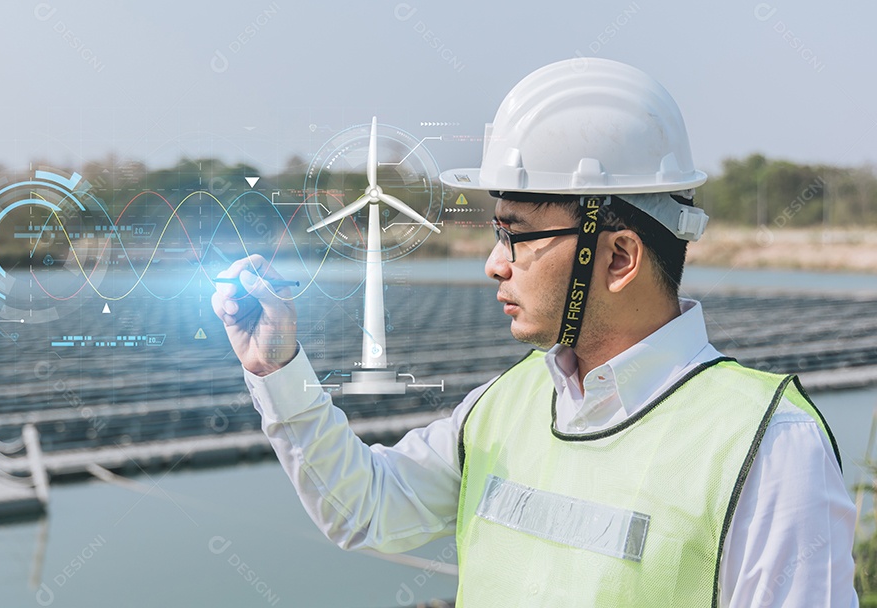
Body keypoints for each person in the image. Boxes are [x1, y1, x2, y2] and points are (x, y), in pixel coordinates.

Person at [211, 58, 857, 606]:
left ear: (619, 258)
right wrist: (278, 367)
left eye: (517, 234)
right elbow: (366, 510)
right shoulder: (508, 404)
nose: (494, 262)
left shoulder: (768, 445)